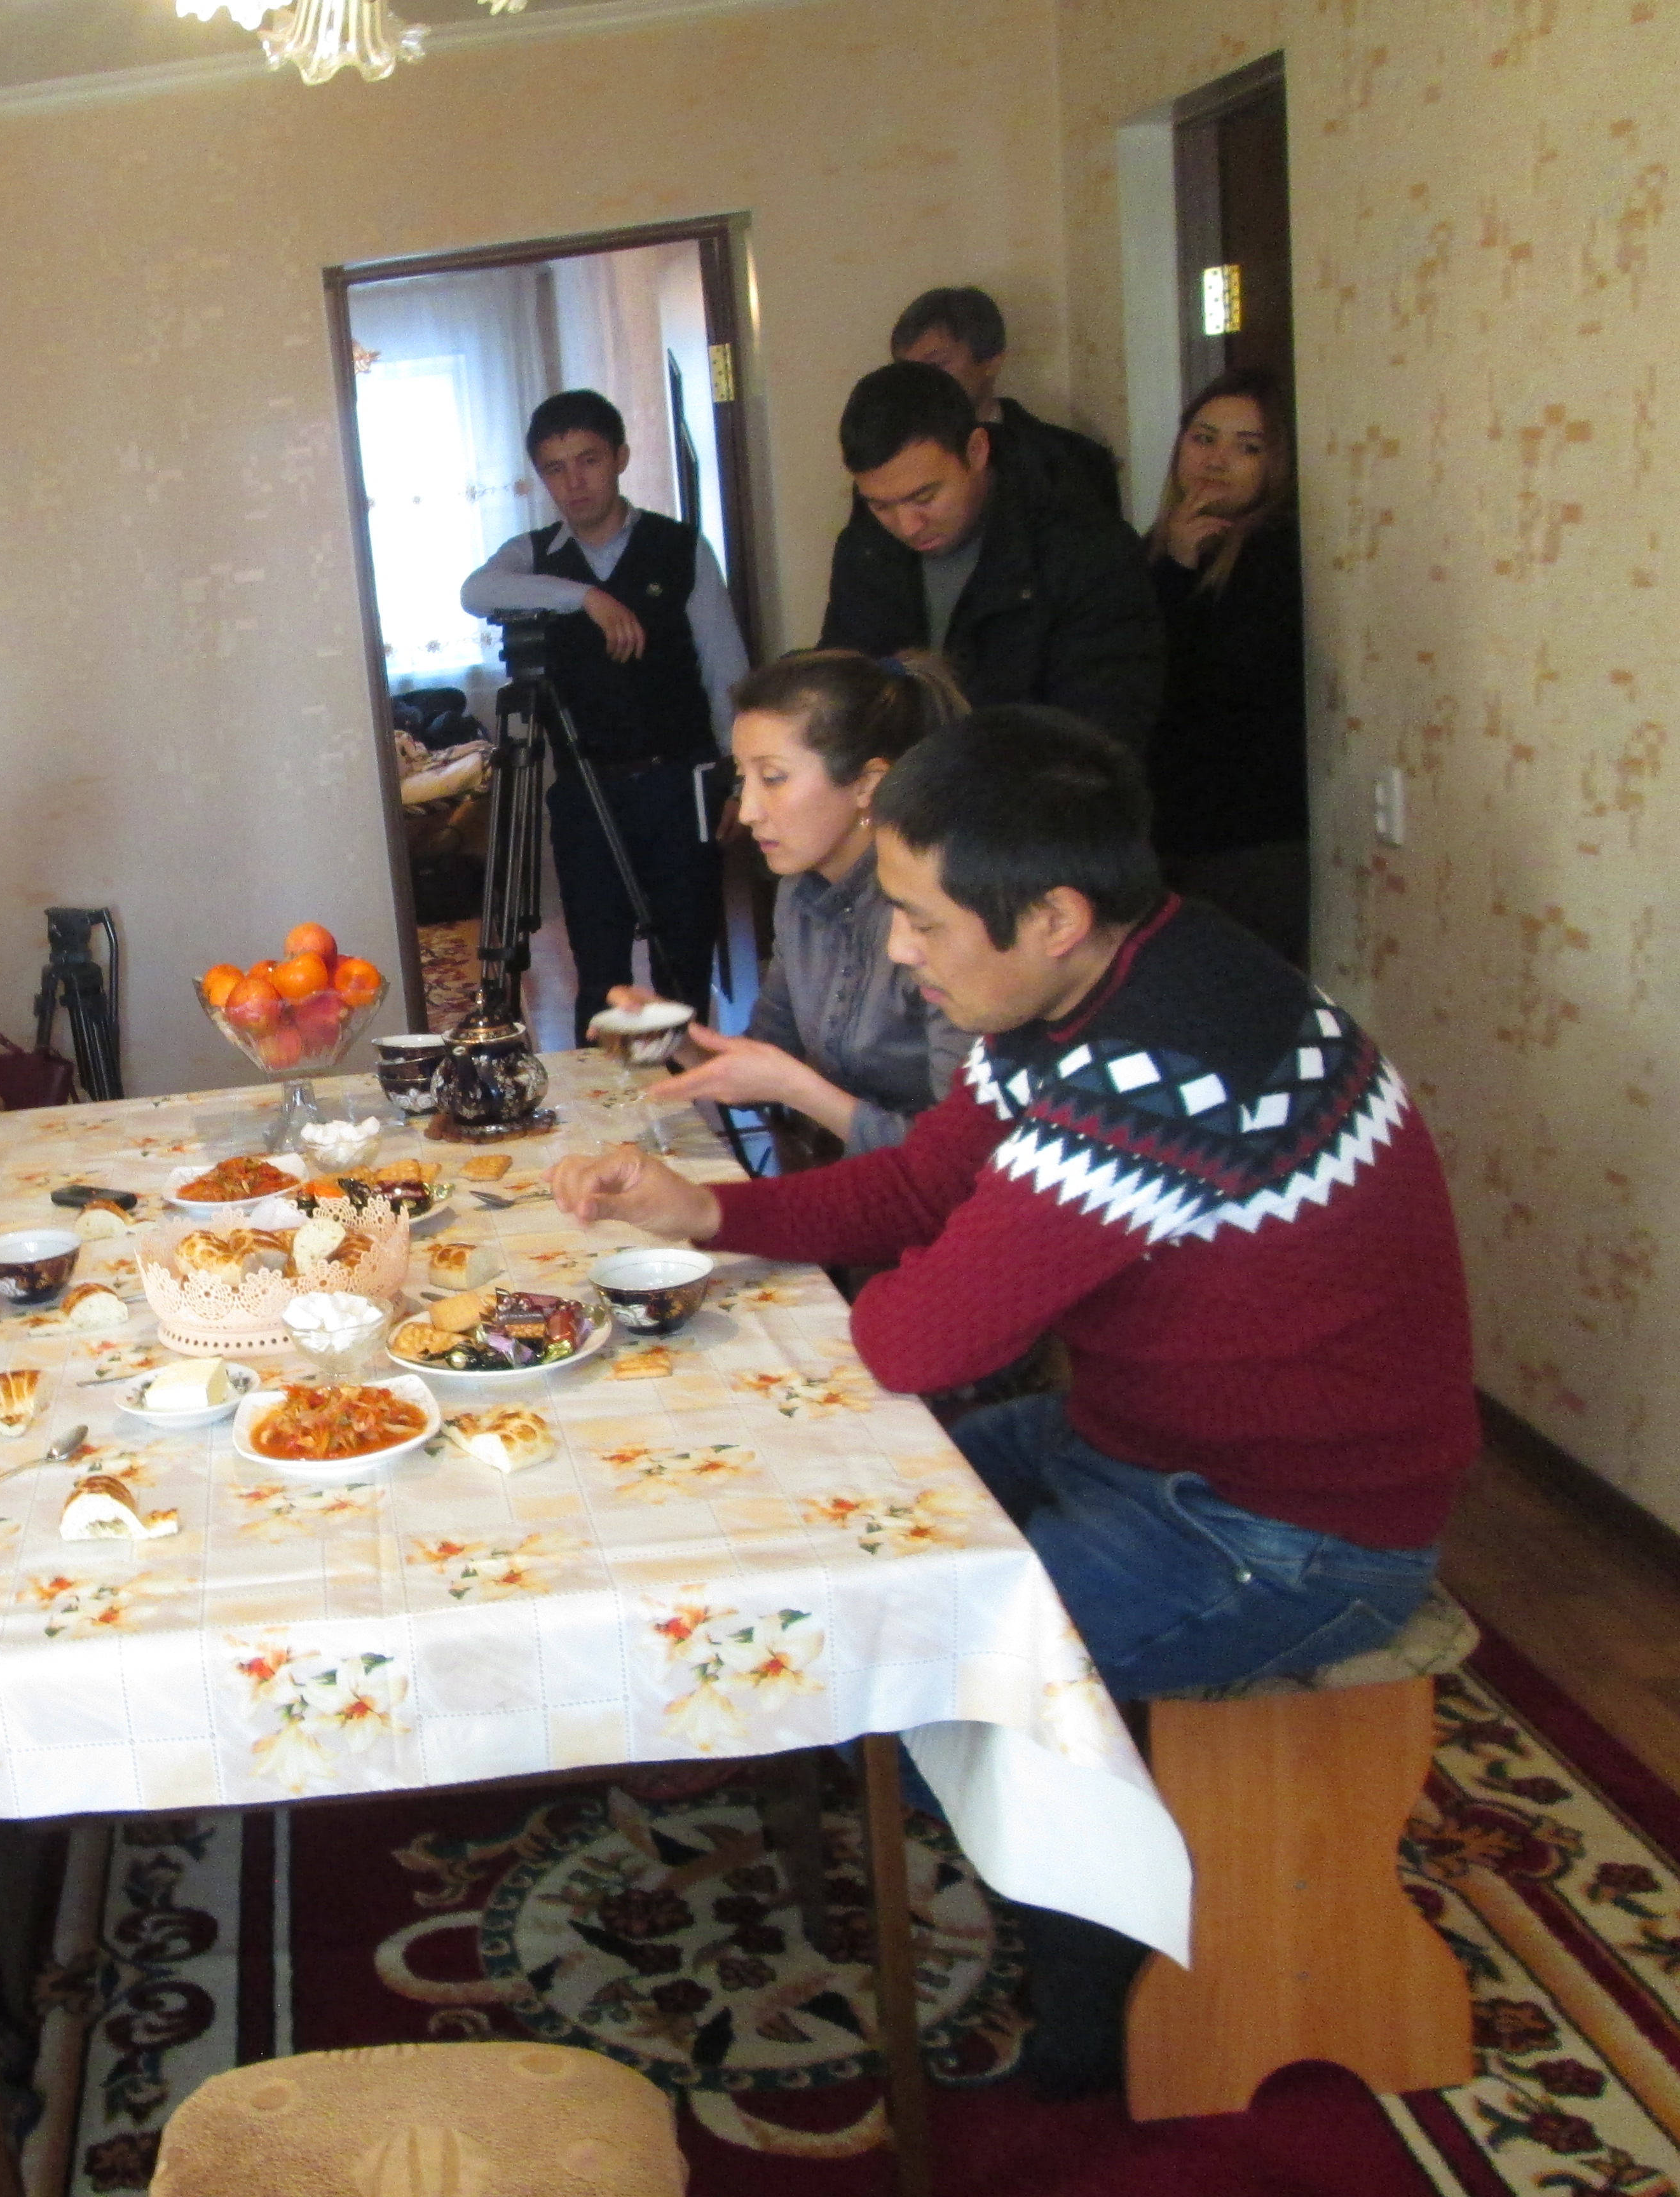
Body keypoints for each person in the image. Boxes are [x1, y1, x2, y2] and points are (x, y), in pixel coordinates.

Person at [549, 707, 1476, 2088]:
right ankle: (1023, 1845)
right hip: (1144, 1441)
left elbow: (916, 1337)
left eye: (922, 920)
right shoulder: (1093, 984)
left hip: (1290, 1529)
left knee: (940, 1654)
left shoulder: (1160, 1068)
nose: (899, 948)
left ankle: (1122, 2009)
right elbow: (928, 1184)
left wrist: (866, 1258)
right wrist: (707, 1209)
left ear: (1050, 915)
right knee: (850, 1532)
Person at [459, 390, 752, 1016]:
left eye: (588, 460)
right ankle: (606, 1081)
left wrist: (741, 780)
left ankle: (682, 1078)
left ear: (620, 457)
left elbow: (725, 670)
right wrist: (586, 598)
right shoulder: (535, 554)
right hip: (585, 792)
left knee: (684, 966)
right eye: (555, 468)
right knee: (598, 975)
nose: (574, 482)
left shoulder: (680, 548)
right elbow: (475, 592)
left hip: (680, 783)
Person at [618, 649, 970, 1156]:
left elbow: (960, 1158)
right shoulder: (801, 893)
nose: (748, 811)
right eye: (743, 780)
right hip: (844, 1179)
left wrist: (797, 1089)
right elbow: (767, 1061)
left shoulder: (939, 915)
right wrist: (679, 1041)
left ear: (868, 785)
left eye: (774, 778)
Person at [819, 362, 1166, 751]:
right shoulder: (865, 547)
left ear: (977, 451)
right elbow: (845, 685)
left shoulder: (1087, 552)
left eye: (925, 498)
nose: (908, 526)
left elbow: (1102, 737)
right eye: (880, 506)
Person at [1142, 368, 1308, 964]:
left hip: (1249, 839)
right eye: (1203, 438)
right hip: (1164, 834)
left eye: (1248, 447)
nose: (1216, 461)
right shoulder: (1151, 549)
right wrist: (1171, 564)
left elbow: (1214, 688)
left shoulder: (1278, 554)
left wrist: (1177, 575)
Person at [889, 285, 1124, 516]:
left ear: (992, 361)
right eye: (907, 371)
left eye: (937, 365)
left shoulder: (1070, 461)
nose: (918, 383)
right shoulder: (886, 466)